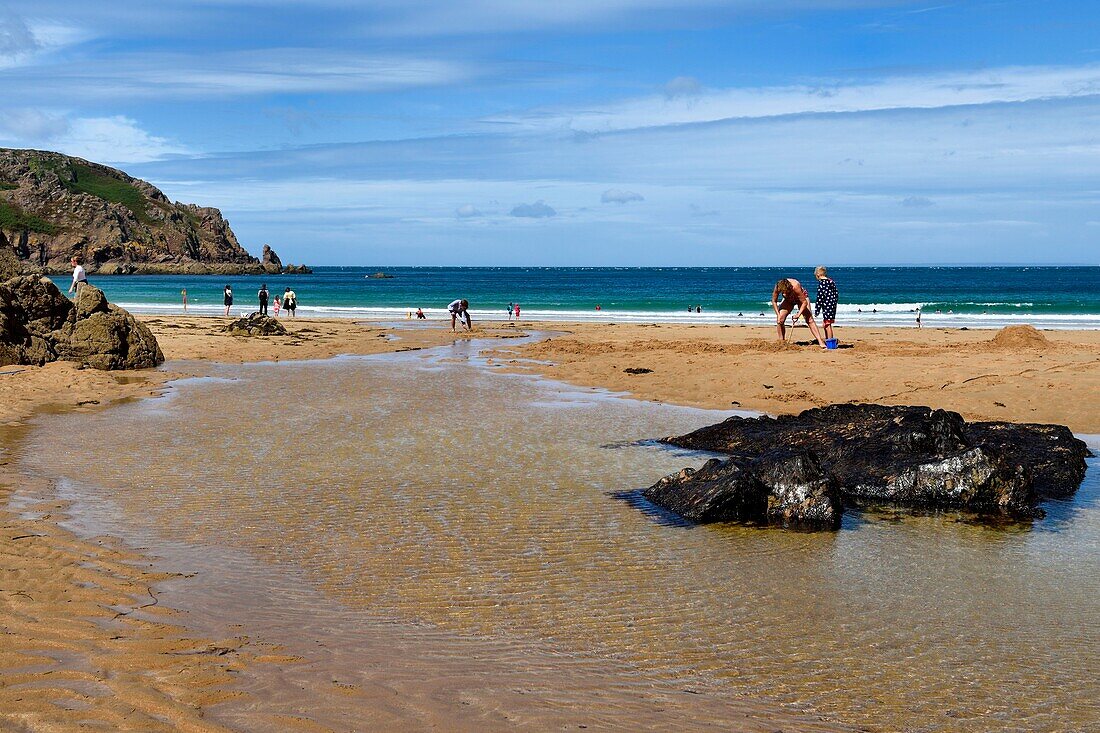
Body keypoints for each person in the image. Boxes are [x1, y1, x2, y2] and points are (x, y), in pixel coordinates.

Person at [772, 278, 826, 348]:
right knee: (780, 320)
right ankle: (781, 341)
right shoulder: (778, 286)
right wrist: (778, 315)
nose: (784, 293)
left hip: (801, 299)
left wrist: (798, 314)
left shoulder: (795, 285)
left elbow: (804, 302)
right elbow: (774, 301)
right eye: (783, 292)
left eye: (786, 292)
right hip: (788, 300)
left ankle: (820, 341)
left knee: (809, 320)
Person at [813, 266, 838, 341]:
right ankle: (828, 339)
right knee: (826, 323)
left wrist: (817, 310)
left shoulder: (822, 284)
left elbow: (820, 298)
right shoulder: (831, 281)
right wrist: (834, 303)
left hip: (827, 306)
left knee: (827, 324)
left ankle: (830, 341)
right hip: (832, 305)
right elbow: (836, 293)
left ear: (818, 275)